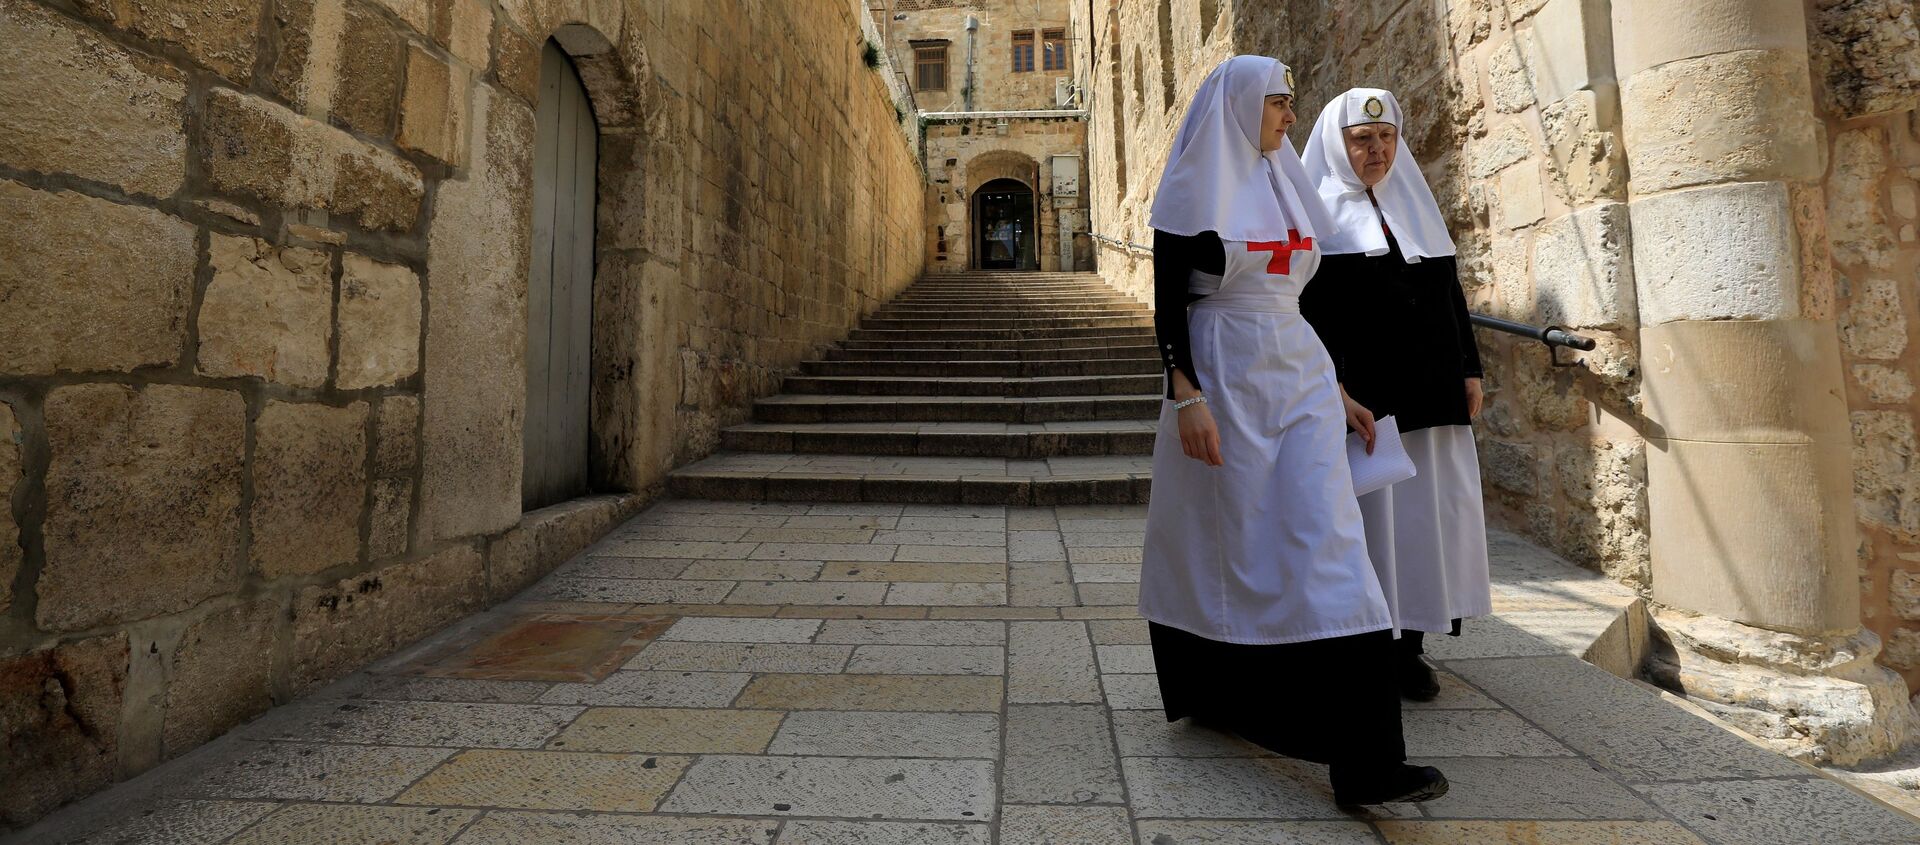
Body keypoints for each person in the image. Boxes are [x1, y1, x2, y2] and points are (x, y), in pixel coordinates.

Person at [1139, 56, 1448, 805]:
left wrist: (1338, 389)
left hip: (1300, 374)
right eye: (1280, 102)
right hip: (1228, 373)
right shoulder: (1194, 188)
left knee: (1333, 540)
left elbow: (1300, 300)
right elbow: (1168, 301)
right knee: (1232, 544)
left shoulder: (1287, 182)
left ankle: (1367, 760)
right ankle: (1221, 693)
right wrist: (1187, 395)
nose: (1289, 116)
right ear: (1244, 106)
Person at [1299, 88, 1492, 701]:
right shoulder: (1317, 216)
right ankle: (1366, 645)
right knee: (1371, 526)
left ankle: (1411, 644)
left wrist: (1470, 368)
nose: (1377, 149)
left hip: (1430, 398)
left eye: (1386, 137)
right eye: (1362, 138)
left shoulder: (1414, 203)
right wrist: (1331, 387)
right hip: (1367, 405)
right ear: (1338, 142)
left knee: (1423, 523)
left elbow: (1448, 292)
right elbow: (1299, 315)